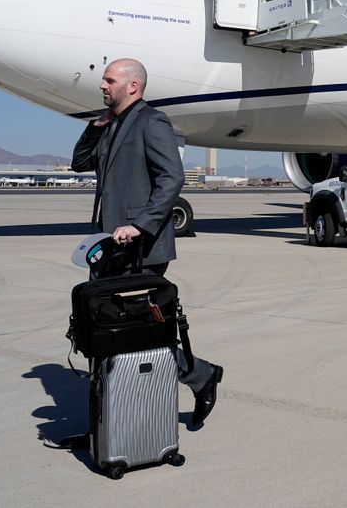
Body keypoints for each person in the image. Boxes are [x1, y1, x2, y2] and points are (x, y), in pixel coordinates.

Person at [71, 58, 223, 428]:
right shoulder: (111, 125)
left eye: (109, 80)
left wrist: (140, 224)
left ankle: (198, 377)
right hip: (110, 245)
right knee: (116, 329)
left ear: (132, 86)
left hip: (143, 247)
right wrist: (94, 128)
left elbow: (172, 179)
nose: (102, 86)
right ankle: (119, 409)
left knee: (138, 331)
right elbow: (78, 163)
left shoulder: (152, 122)